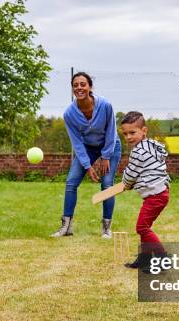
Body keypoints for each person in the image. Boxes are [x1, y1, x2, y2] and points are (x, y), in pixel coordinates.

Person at [51, 72, 122, 239]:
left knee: (106, 184)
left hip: (109, 146)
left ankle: (106, 227)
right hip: (87, 148)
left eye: (83, 84)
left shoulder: (105, 105)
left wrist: (106, 156)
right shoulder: (69, 114)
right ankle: (66, 226)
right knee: (71, 182)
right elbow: (76, 143)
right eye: (75, 85)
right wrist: (87, 166)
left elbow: (112, 132)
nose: (79, 88)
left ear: (90, 87)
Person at [119, 111, 170, 272]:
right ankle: (145, 258)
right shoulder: (149, 146)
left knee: (142, 228)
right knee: (145, 226)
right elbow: (146, 171)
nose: (128, 137)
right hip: (160, 193)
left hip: (156, 195)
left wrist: (126, 184)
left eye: (132, 132)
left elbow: (131, 173)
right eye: (125, 133)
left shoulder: (138, 152)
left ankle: (163, 259)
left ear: (144, 131)